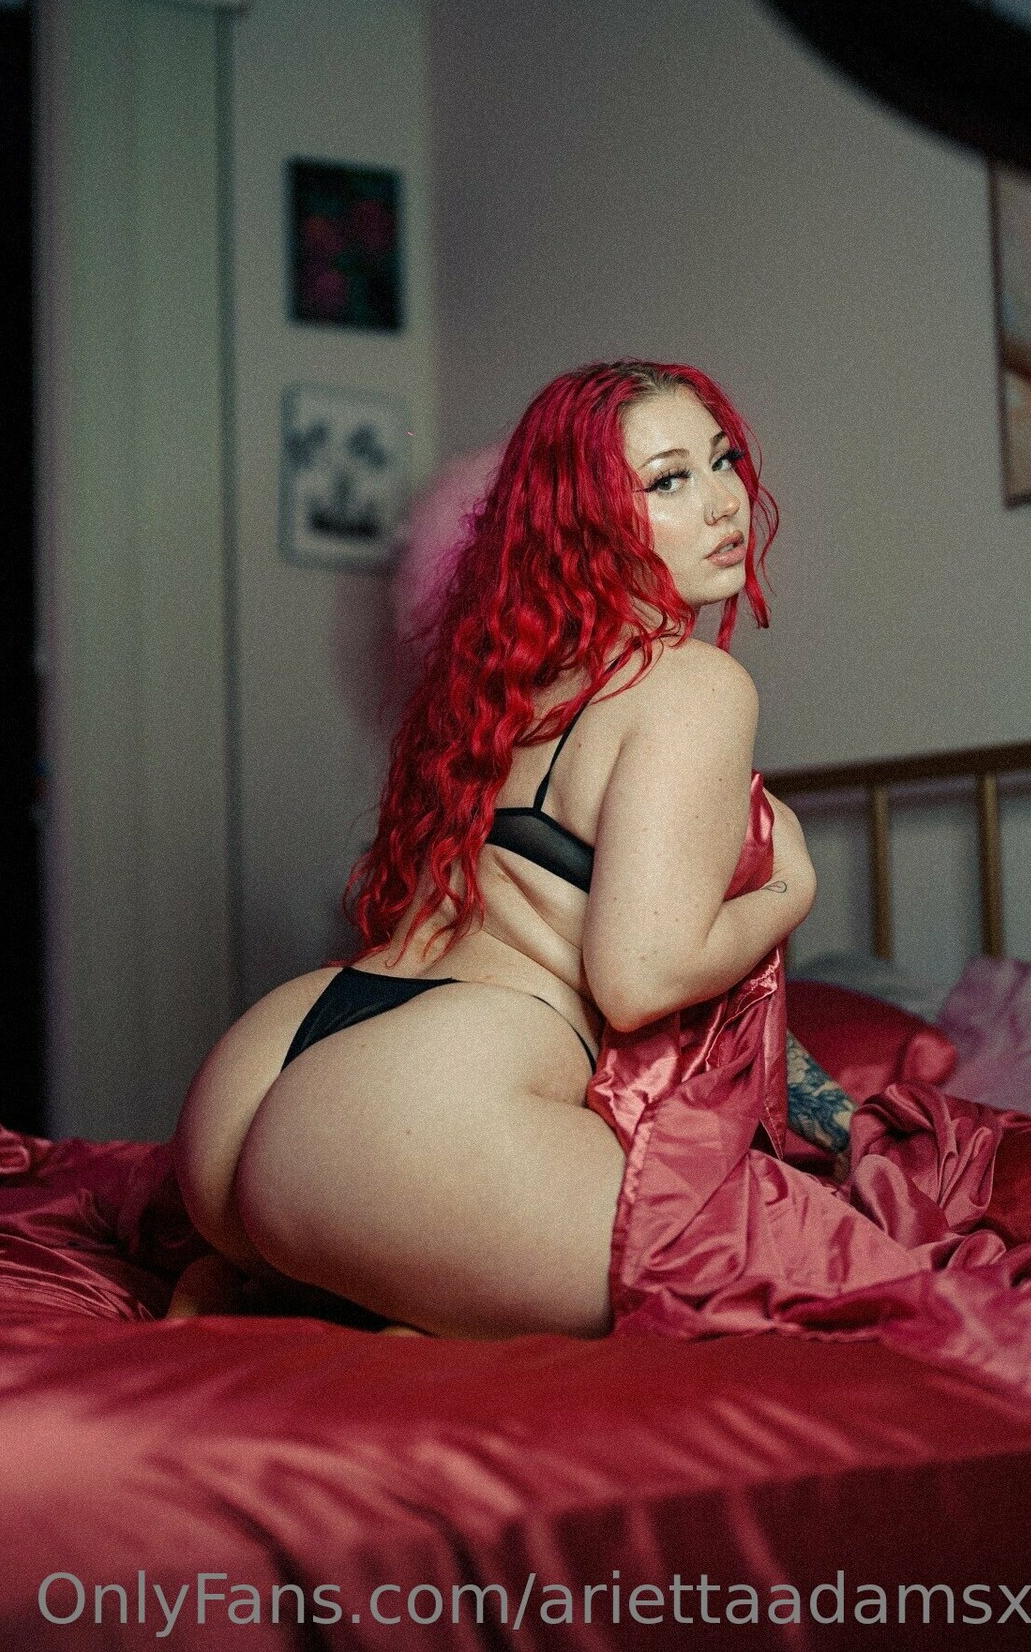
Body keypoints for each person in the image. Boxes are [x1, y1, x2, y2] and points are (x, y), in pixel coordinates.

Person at [170, 359, 849, 1337]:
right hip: (415, 1109)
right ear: (584, 519)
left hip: (278, 1064)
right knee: (788, 1274)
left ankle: (283, 1279)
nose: (721, 504)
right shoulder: (692, 683)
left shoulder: (508, 683)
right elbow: (641, 979)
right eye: (667, 481)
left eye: (722, 461)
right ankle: (369, 1287)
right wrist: (788, 887)